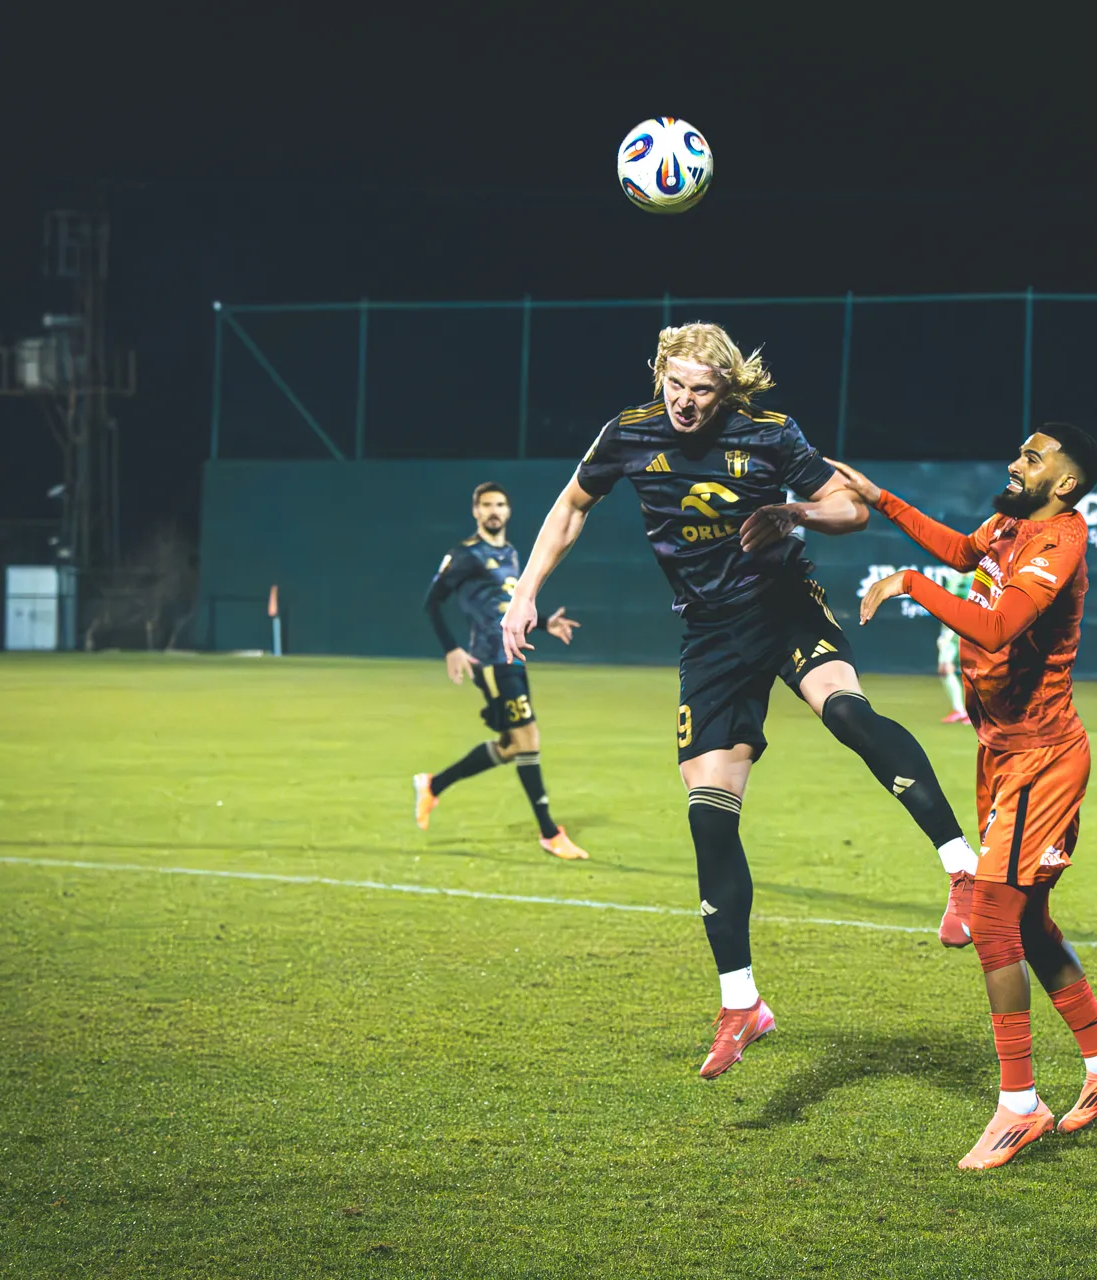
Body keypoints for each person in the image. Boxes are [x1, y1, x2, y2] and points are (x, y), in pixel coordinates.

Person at [501, 322, 980, 1079]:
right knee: (709, 816)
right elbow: (570, 506)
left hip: (783, 606)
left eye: (702, 389)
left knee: (847, 712)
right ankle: (742, 1004)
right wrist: (527, 589)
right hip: (709, 635)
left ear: (727, 390)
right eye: (675, 384)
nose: (686, 401)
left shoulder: (769, 433)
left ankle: (963, 871)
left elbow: (849, 509)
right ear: (659, 375)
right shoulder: (628, 433)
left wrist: (794, 513)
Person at [836, 423, 1097, 1171]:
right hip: (1000, 752)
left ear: (1064, 483)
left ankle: (1019, 1104)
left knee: (994, 918)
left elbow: (1002, 626)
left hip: (1043, 758)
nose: (1015, 463)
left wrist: (910, 585)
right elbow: (961, 552)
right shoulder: (1010, 522)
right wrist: (882, 499)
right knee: (1028, 920)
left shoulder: (1059, 540)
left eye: (1032, 458)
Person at [414, 482, 591, 861]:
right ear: (475, 511)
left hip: (513, 656)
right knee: (528, 738)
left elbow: (504, 607)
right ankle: (549, 833)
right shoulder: (465, 555)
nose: (493, 511)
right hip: (491, 661)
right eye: (486, 505)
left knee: (512, 746)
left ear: (508, 511)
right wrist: (452, 648)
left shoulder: (509, 553)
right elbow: (432, 603)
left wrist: (543, 622)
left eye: (499, 504)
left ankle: (433, 785)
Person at [934, 567, 971, 724]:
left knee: (973, 672)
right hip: (951, 631)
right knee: (945, 668)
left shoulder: (977, 578)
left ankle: (974, 712)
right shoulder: (954, 579)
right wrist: (945, 634)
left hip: (969, 630)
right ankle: (959, 710)